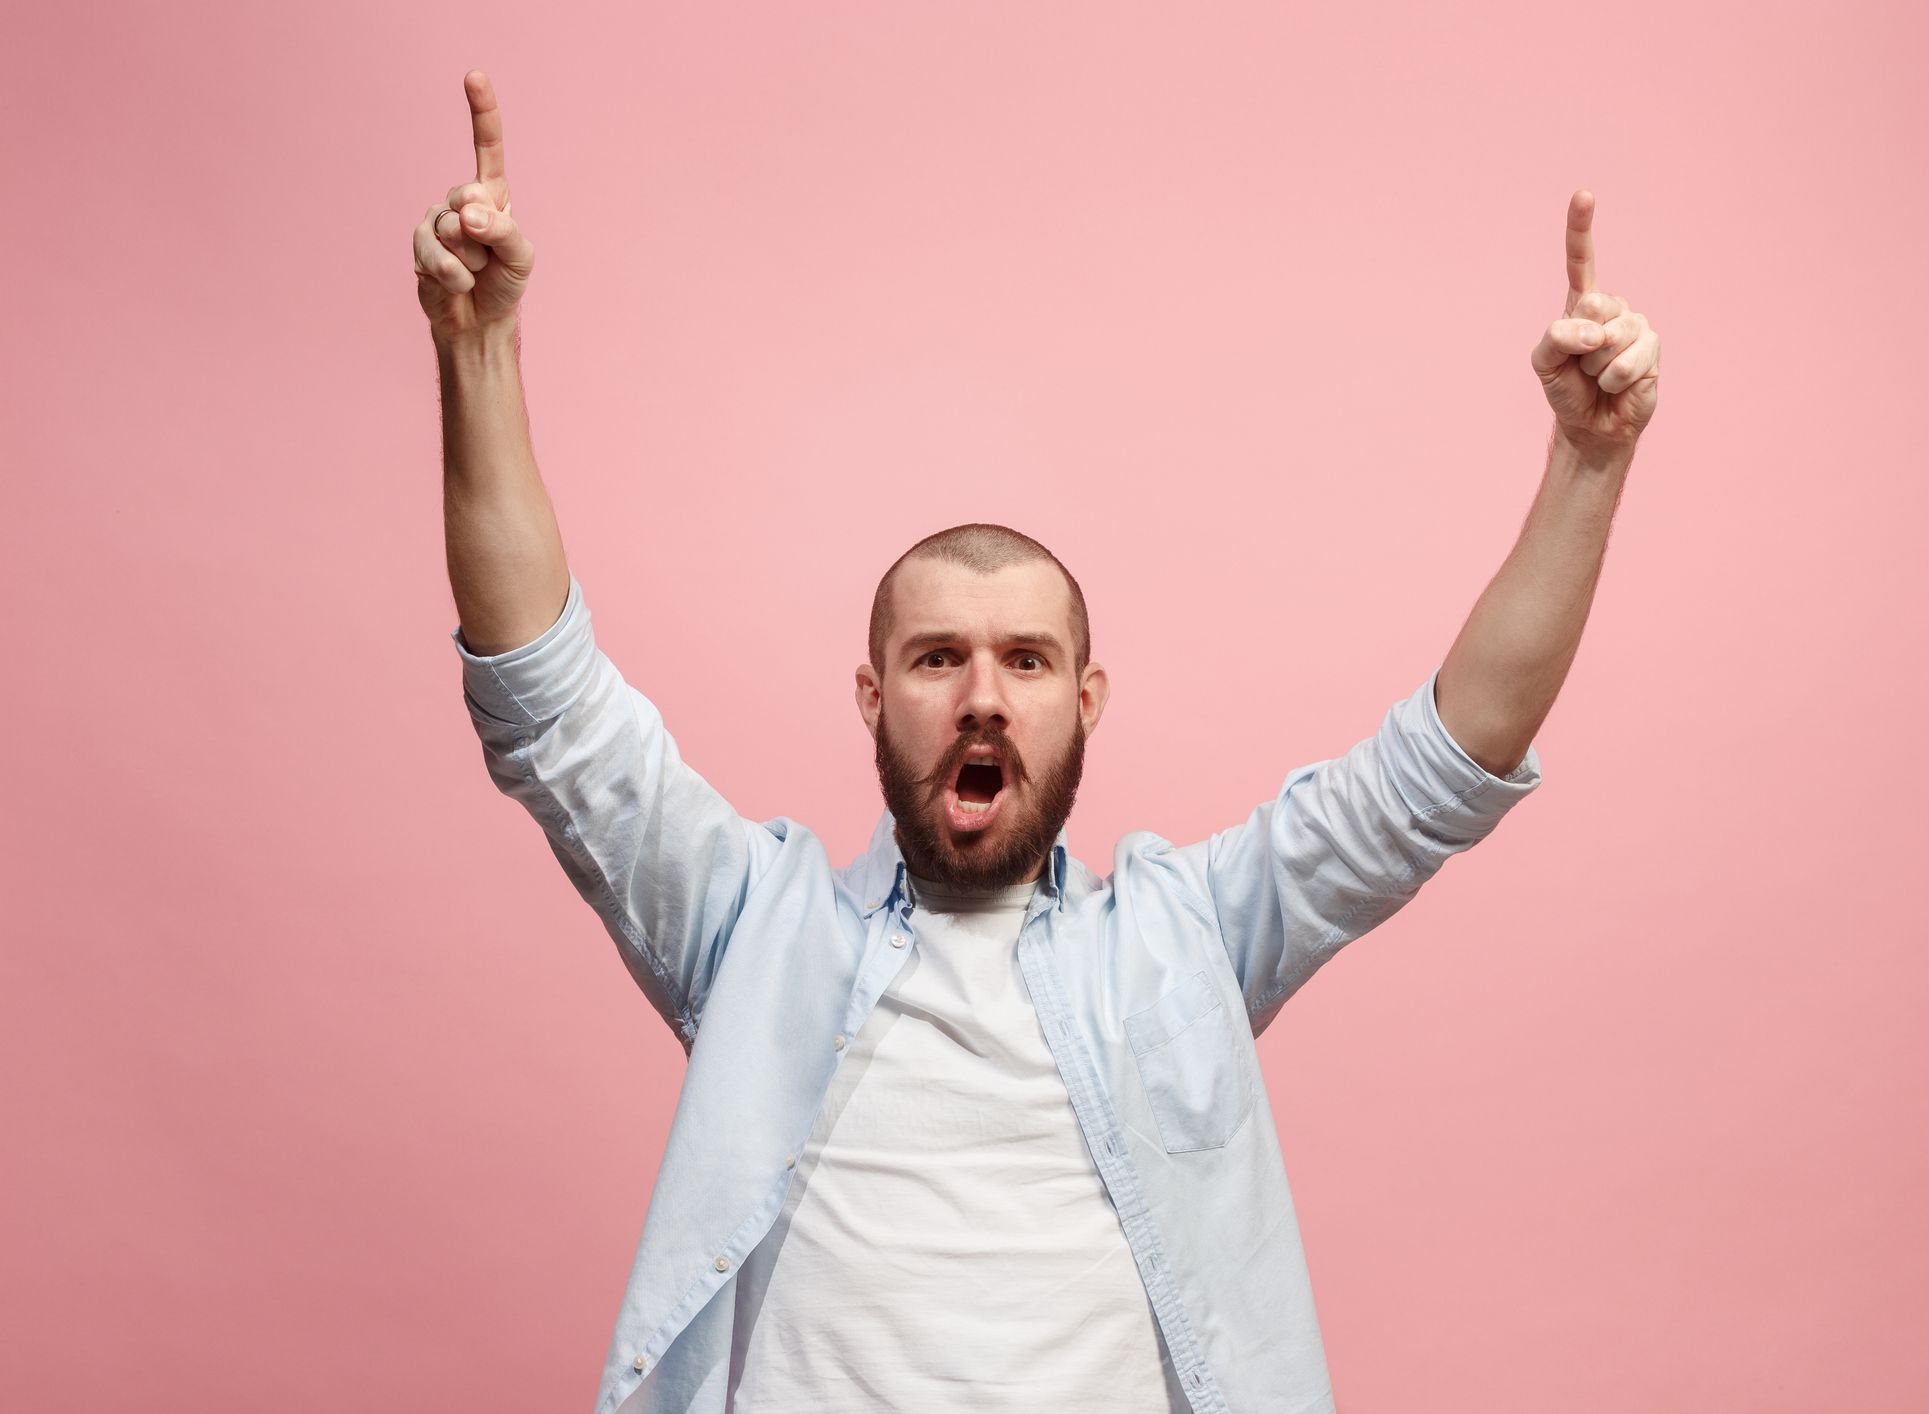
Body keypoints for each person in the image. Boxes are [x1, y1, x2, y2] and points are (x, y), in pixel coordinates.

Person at [417, 66, 1659, 1414]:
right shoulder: (745, 928)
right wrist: (477, 351)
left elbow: (1443, 765)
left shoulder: (1186, 938)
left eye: (1026, 659)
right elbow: (547, 703)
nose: (984, 697)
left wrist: (1588, 462)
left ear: (1087, 697)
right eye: (937, 657)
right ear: (870, 696)